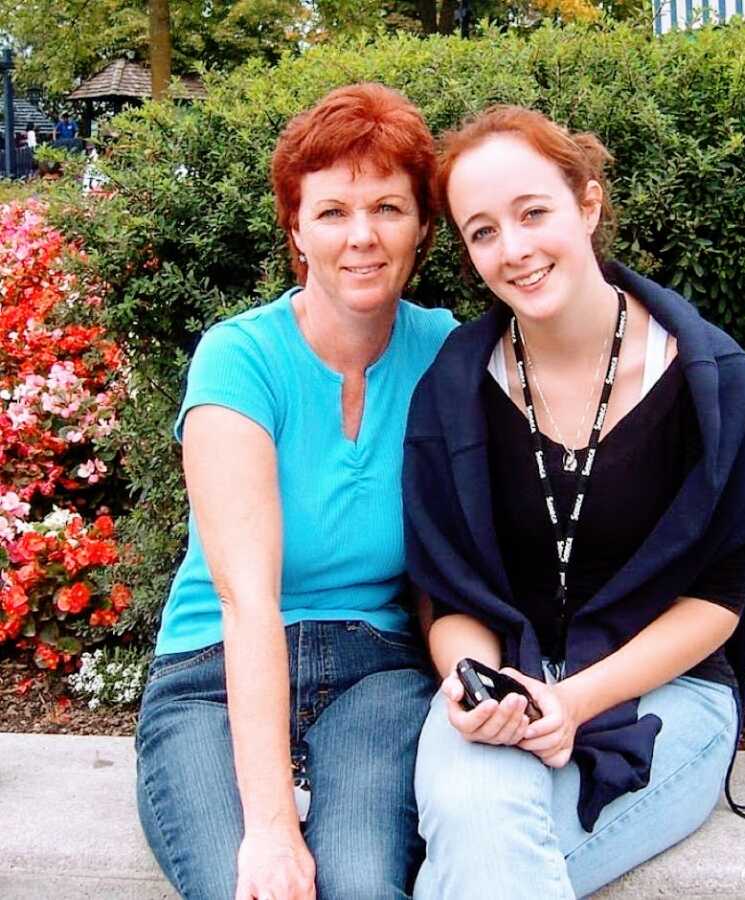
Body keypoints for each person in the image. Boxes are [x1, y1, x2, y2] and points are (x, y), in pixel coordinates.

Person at [403, 106, 745, 899]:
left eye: (533, 213)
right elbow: (448, 595)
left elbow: (718, 600)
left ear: (586, 204)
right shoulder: (455, 387)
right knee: (481, 818)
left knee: (470, 871)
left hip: (663, 697)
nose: (513, 250)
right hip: (504, 689)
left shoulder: (709, 381)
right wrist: (475, 684)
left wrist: (576, 700)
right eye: (482, 232)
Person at [136, 83, 456, 900]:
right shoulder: (238, 359)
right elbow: (248, 602)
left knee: (362, 883)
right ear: (296, 231)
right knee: (245, 886)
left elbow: (452, 563)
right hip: (213, 672)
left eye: (388, 208)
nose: (362, 238)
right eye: (332, 213)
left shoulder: (445, 353)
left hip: (375, 675)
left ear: (423, 226)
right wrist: (272, 828)